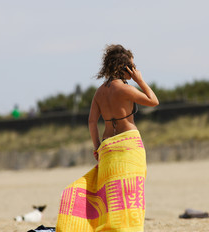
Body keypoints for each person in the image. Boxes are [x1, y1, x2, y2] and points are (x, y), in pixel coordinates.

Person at [56, 44, 159, 232]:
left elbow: (91, 122)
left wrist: (97, 147)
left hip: (108, 147)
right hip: (128, 144)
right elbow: (153, 101)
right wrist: (140, 81)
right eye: (132, 66)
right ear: (124, 67)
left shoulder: (100, 92)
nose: (135, 70)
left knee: (109, 193)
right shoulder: (125, 89)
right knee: (130, 192)